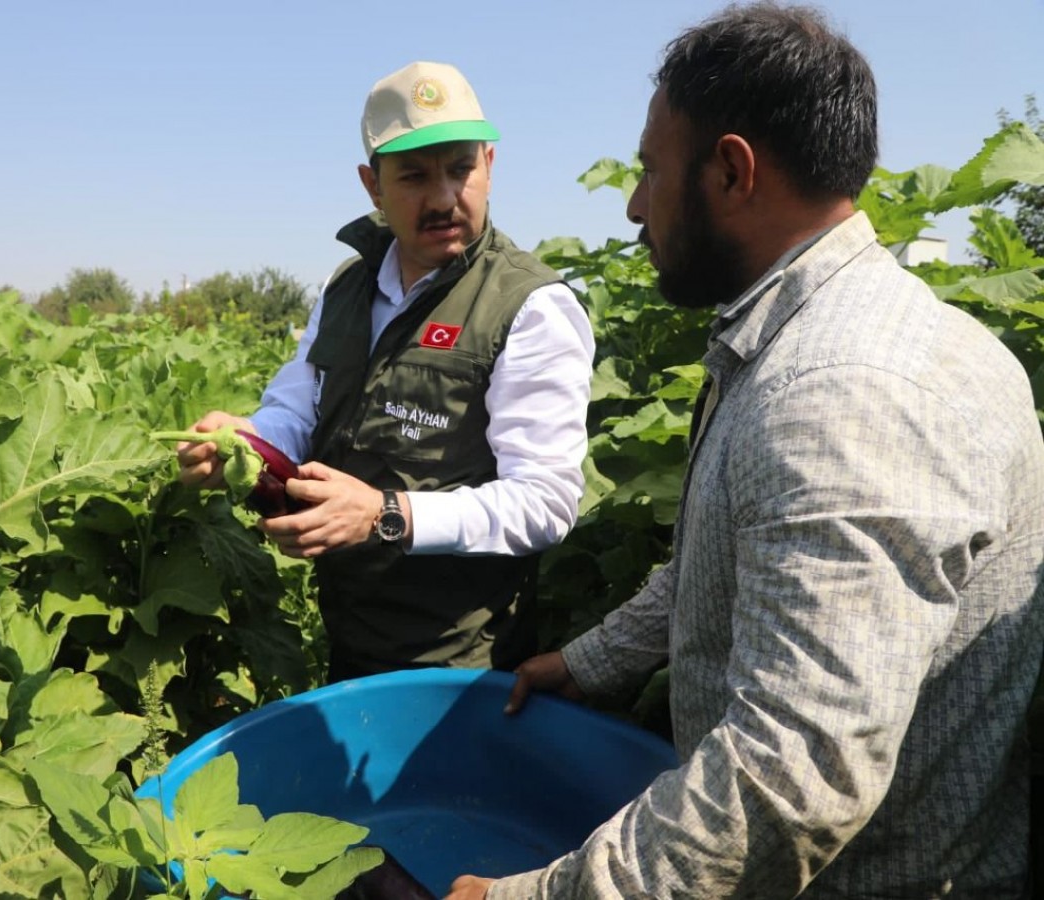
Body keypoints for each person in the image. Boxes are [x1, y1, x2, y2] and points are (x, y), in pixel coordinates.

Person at [447, 4, 1044, 898]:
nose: (634, 203)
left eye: (652, 170)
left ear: (730, 170)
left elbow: (792, 776)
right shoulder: (827, 339)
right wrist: (589, 661)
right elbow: (731, 561)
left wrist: (529, 896)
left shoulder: (841, 394)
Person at [175, 61, 596, 682]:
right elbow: (297, 408)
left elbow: (546, 501)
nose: (445, 198)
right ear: (372, 186)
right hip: (348, 634)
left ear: (489, 164)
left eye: (461, 170)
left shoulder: (529, 306)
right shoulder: (346, 286)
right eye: (415, 176)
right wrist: (245, 444)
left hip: (459, 662)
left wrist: (384, 514)